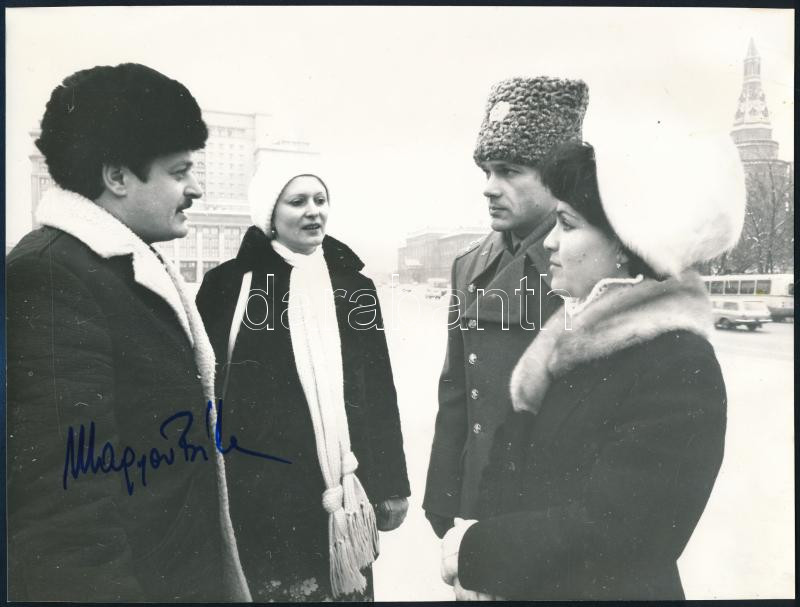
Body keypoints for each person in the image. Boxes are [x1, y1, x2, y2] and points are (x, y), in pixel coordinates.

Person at [438, 125, 746, 599]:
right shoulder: (567, 346)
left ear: (625, 243)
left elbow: (623, 531)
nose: (549, 243)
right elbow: (507, 474)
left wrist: (479, 551)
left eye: (567, 224)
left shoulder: (679, 364)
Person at [7, 63, 250, 601]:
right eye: (180, 172)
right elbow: (64, 514)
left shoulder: (121, 264)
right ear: (117, 177)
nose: (196, 188)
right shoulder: (51, 277)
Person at [196, 156, 411, 601]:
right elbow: (203, 393)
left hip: (345, 492)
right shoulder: (229, 285)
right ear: (269, 214)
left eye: (320, 199)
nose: (314, 211)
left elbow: (378, 391)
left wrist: (393, 484)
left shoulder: (354, 288)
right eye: (297, 202)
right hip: (258, 496)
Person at [423, 76, 589, 536]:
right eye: (487, 172)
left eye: (510, 171)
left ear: (559, 178)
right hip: (481, 496)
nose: (490, 188)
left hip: (551, 514)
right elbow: (456, 389)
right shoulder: (469, 265)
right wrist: (443, 494)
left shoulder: (589, 264)